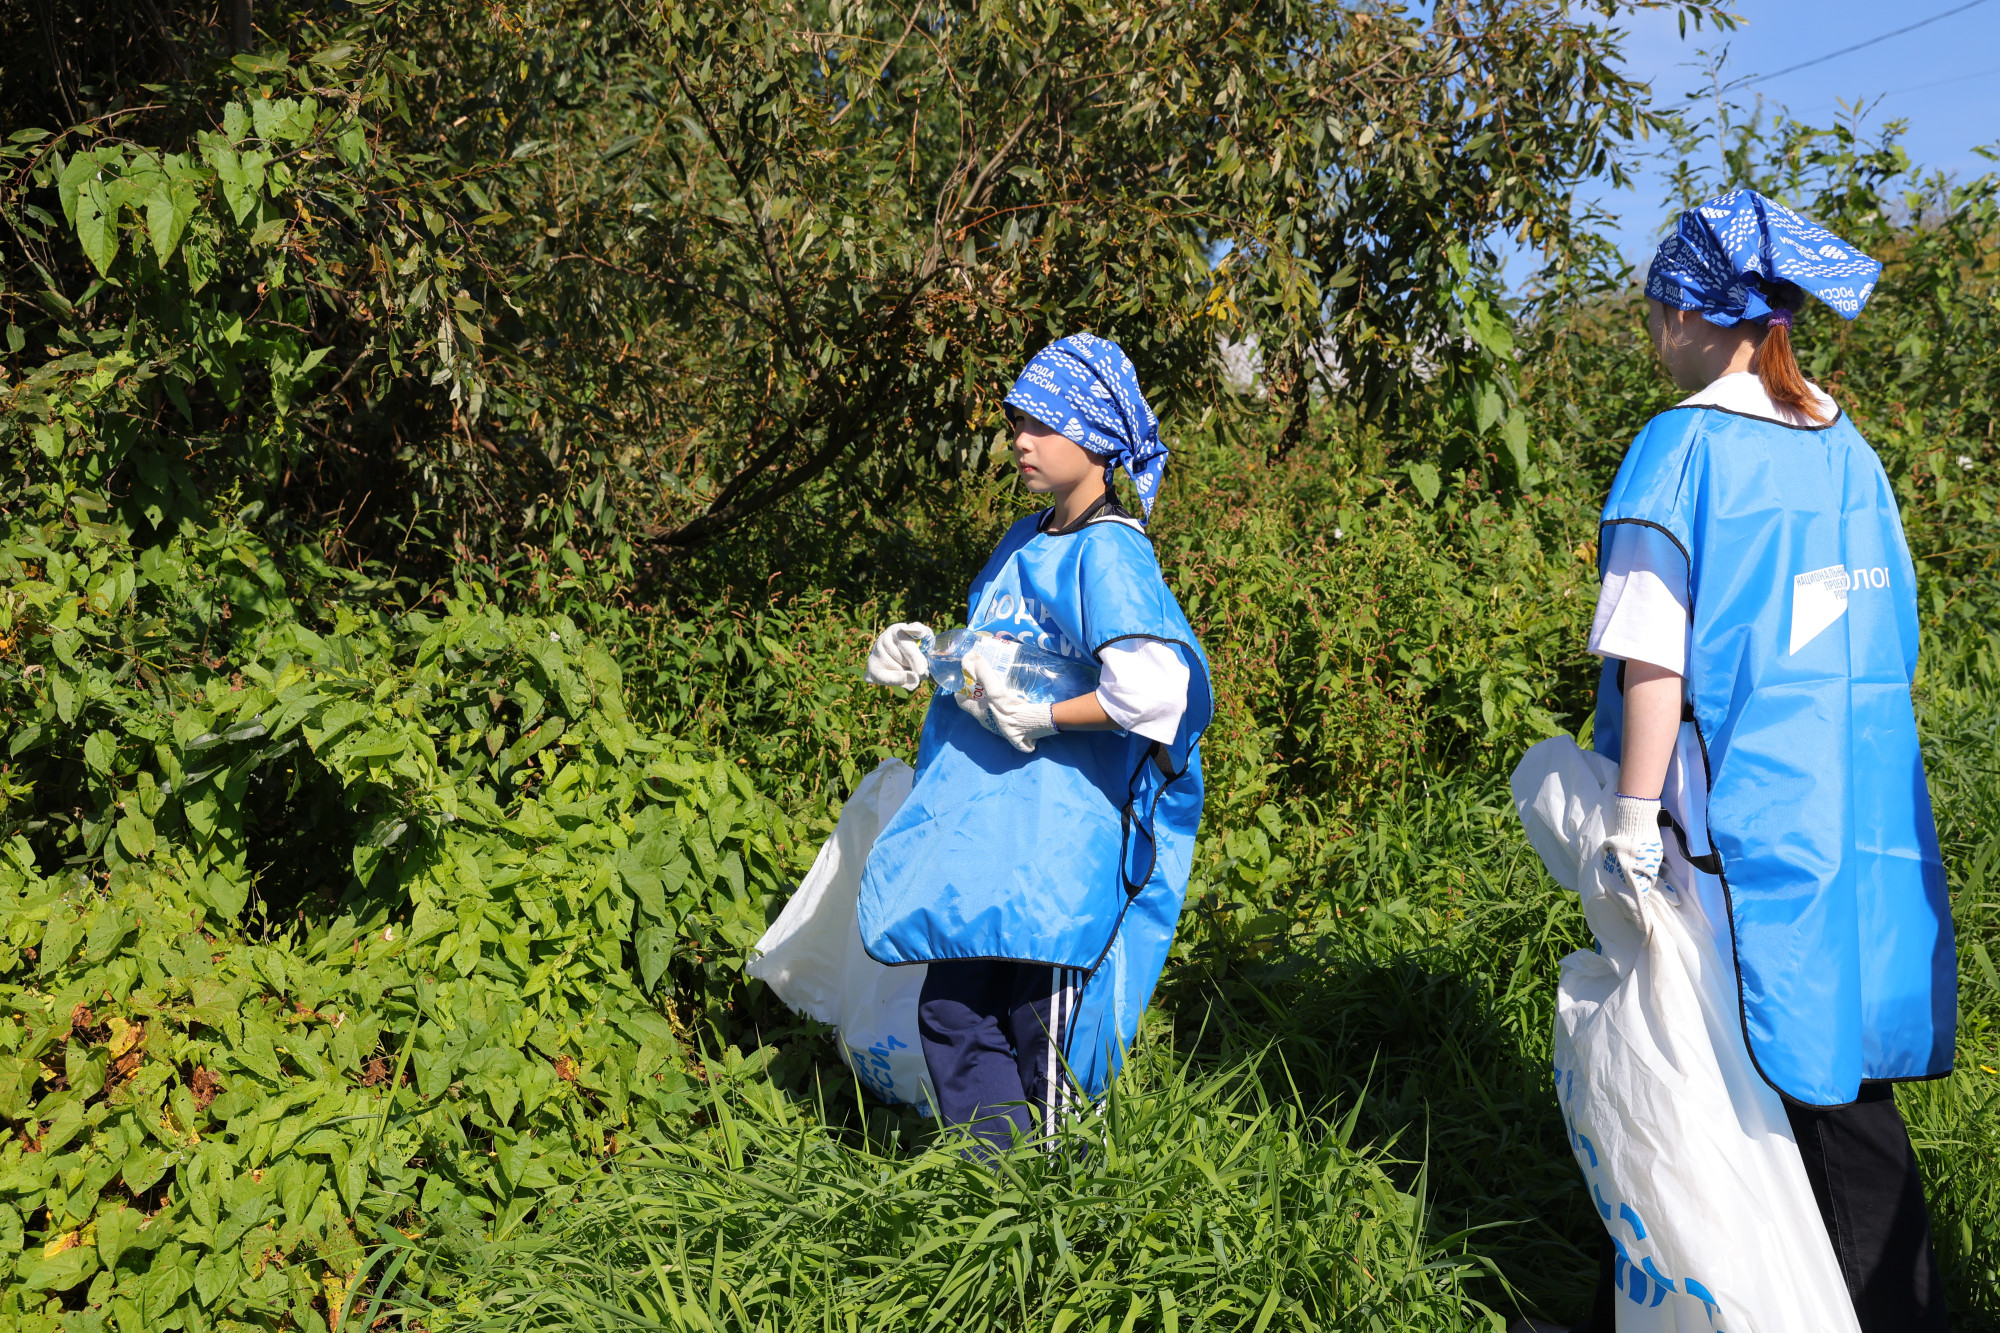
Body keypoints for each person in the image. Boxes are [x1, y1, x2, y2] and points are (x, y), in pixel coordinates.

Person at [1552, 189, 1957, 1333]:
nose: (1651, 336)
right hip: (1852, 811)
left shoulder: (1679, 449)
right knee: (1810, 1073)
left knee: (1774, 1095)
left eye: (1652, 313)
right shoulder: (1842, 445)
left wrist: (1628, 823)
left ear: (1687, 314)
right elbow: (1887, 632)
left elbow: (1652, 661)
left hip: (1730, 833)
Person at [853, 333, 1212, 1152]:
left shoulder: (1109, 553)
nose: (1021, 439)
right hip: (986, 841)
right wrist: (930, 656)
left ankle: (1057, 1208)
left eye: (1044, 425)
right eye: (1018, 421)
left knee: (1039, 1040)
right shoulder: (1026, 536)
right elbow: (1006, 661)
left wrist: (1050, 718)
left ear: (1097, 439)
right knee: (951, 1016)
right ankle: (997, 1191)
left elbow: (1156, 692)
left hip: (1054, 856)